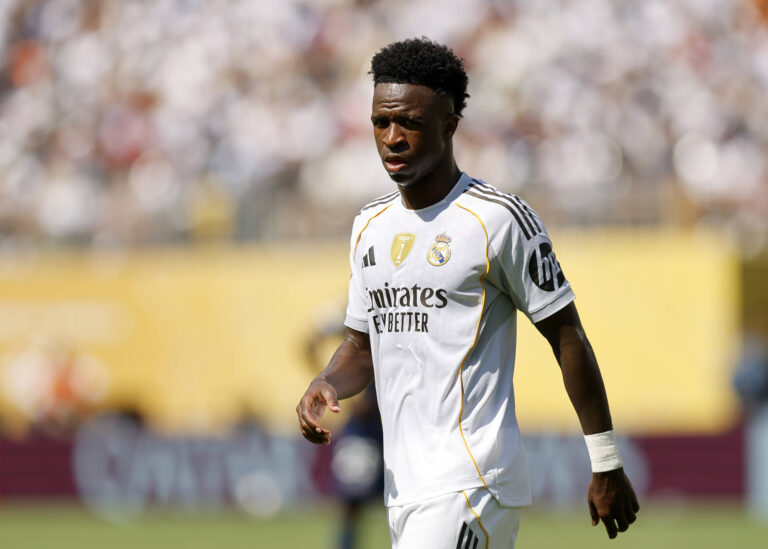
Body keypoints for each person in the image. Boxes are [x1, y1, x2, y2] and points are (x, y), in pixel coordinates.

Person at [297, 37, 639, 548]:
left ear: (450, 125)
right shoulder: (368, 226)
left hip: (473, 479)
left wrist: (606, 460)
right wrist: (325, 381)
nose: (391, 138)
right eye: (379, 122)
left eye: (409, 123)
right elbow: (361, 346)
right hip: (404, 487)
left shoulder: (498, 220)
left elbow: (567, 336)